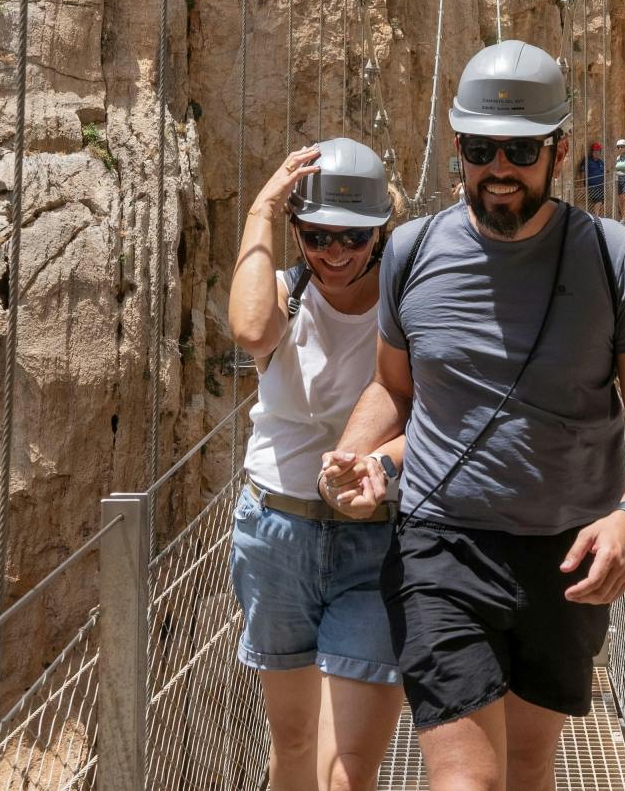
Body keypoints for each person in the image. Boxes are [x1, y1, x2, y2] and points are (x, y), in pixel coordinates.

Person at [319, 41, 625, 791]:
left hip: (567, 552)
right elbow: (393, 389)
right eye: (482, 148)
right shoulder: (412, 252)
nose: (500, 168)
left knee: (526, 768)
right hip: (442, 541)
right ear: (459, 149)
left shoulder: (614, 258)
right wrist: (355, 457)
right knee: (465, 782)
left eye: (520, 148)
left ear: (561, 149)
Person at [226, 138, 403, 791]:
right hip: (276, 537)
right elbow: (249, 329)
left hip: (374, 538)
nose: (333, 252)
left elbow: (438, 409)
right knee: (294, 742)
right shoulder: (285, 293)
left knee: (349, 771)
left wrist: (377, 460)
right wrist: (261, 210)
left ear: (380, 230)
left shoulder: (405, 300)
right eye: (316, 234)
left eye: (352, 237)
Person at [584, 142, 606, 211]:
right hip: (593, 186)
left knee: (602, 202)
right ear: (592, 152)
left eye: (598, 151)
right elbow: (582, 172)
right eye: (595, 151)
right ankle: (596, 218)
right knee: (598, 201)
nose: (596, 153)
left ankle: (599, 218)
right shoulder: (588, 161)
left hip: (601, 186)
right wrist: (582, 184)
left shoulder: (601, 162)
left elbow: (603, 172)